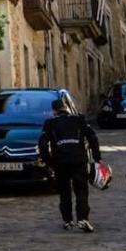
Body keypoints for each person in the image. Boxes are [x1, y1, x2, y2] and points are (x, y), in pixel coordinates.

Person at [39, 98, 102, 232]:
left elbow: (43, 145)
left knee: (64, 192)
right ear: (66, 107)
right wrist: (97, 157)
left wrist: (49, 162)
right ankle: (82, 219)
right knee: (81, 191)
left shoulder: (50, 123)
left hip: (60, 162)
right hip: (78, 160)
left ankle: (67, 221)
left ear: (54, 111)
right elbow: (92, 138)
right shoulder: (79, 119)